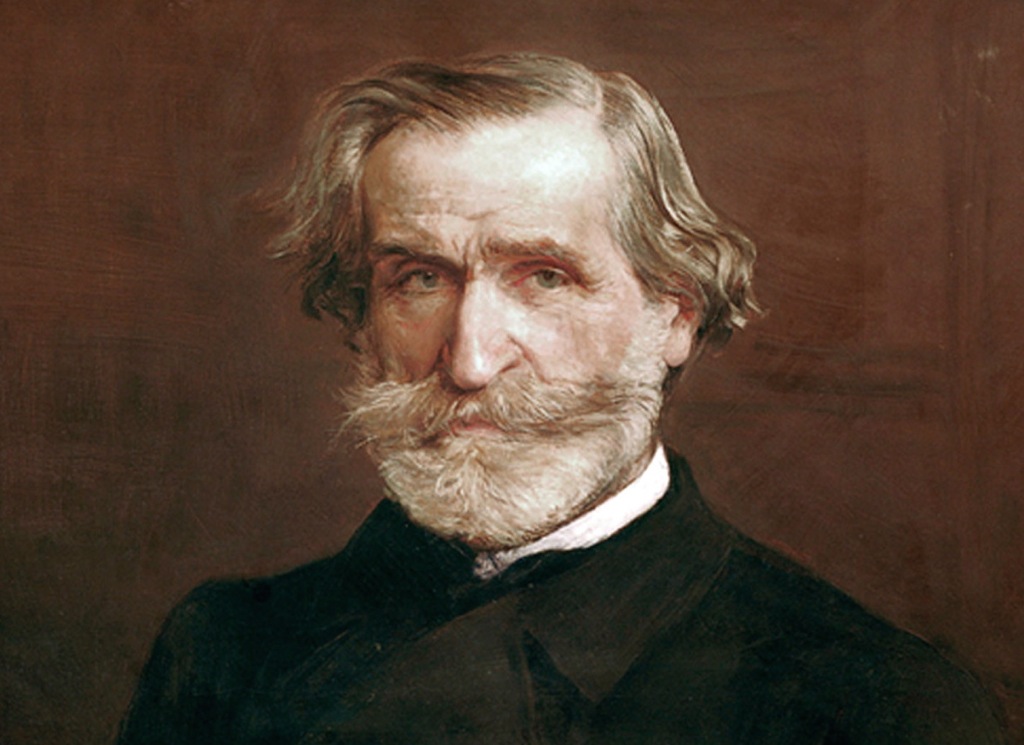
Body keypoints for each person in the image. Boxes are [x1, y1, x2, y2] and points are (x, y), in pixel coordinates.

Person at [118, 53, 1003, 744]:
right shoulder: (226, 652)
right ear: (359, 313)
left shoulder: (879, 700)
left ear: (675, 314)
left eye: (545, 276)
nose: (469, 361)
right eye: (419, 278)